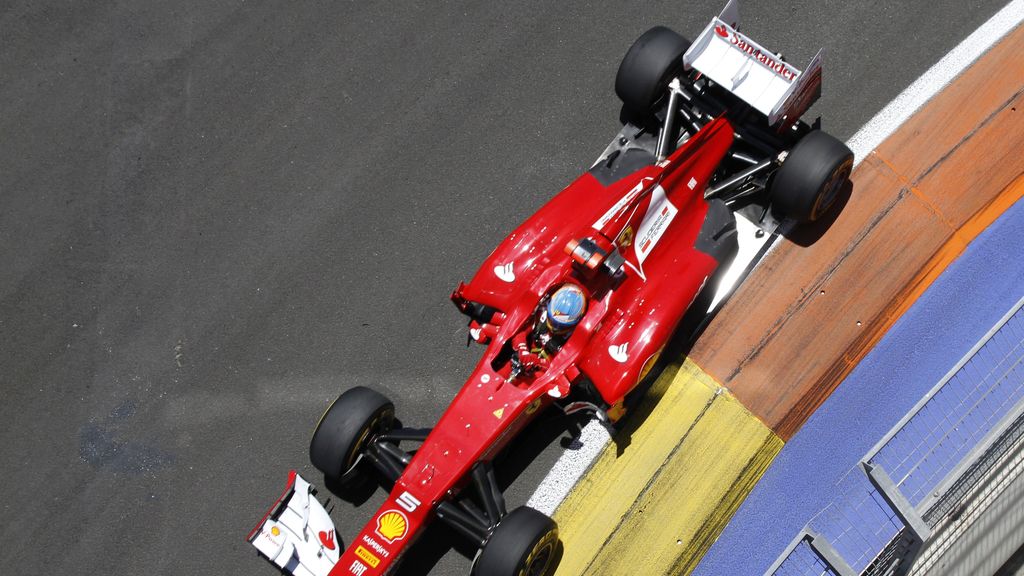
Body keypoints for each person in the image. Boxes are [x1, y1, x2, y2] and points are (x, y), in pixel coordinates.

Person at [510, 284, 587, 378]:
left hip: (544, 375)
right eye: (552, 321)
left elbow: (562, 367)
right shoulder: (541, 312)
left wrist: (538, 362)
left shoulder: (576, 339)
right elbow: (520, 330)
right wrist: (522, 349)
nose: (554, 327)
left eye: (560, 325)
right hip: (523, 359)